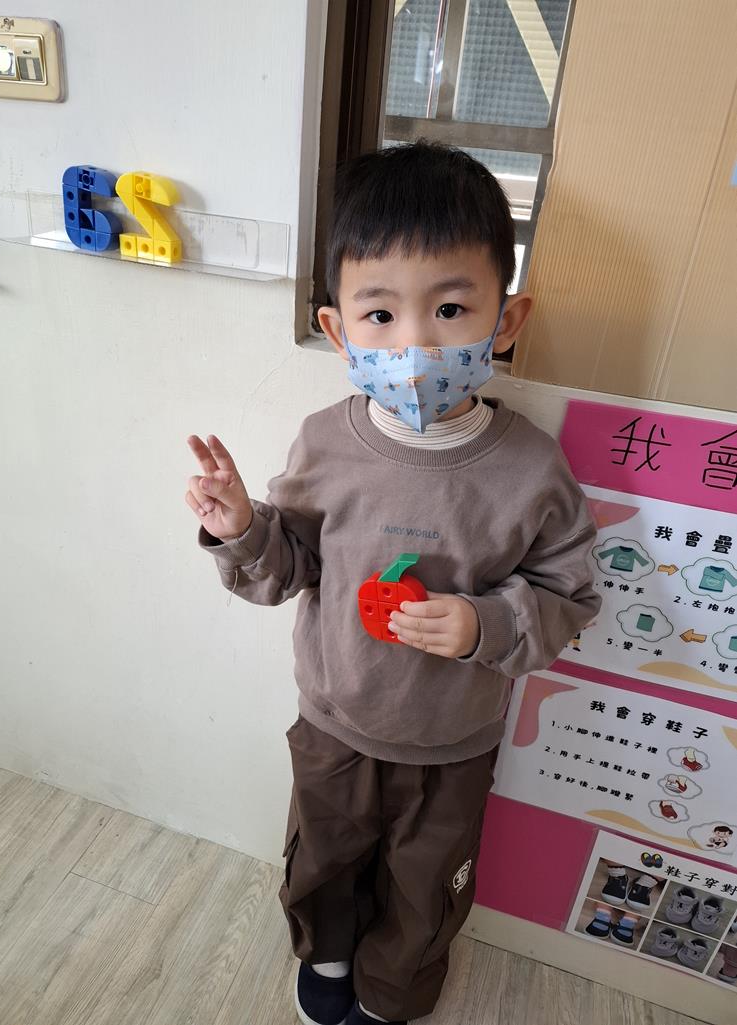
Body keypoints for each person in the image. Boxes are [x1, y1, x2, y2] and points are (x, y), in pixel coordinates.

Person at [185, 142, 602, 1025]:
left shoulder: (531, 467)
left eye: (450, 308)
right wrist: (242, 527)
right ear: (339, 330)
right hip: (334, 720)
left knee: (427, 883)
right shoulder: (324, 442)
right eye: (379, 313)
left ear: (505, 318)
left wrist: (485, 624)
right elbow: (287, 567)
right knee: (322, 856)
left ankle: (392, 990)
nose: (413, 344)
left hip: (452, 743)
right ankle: (328, 955)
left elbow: (570, 594)